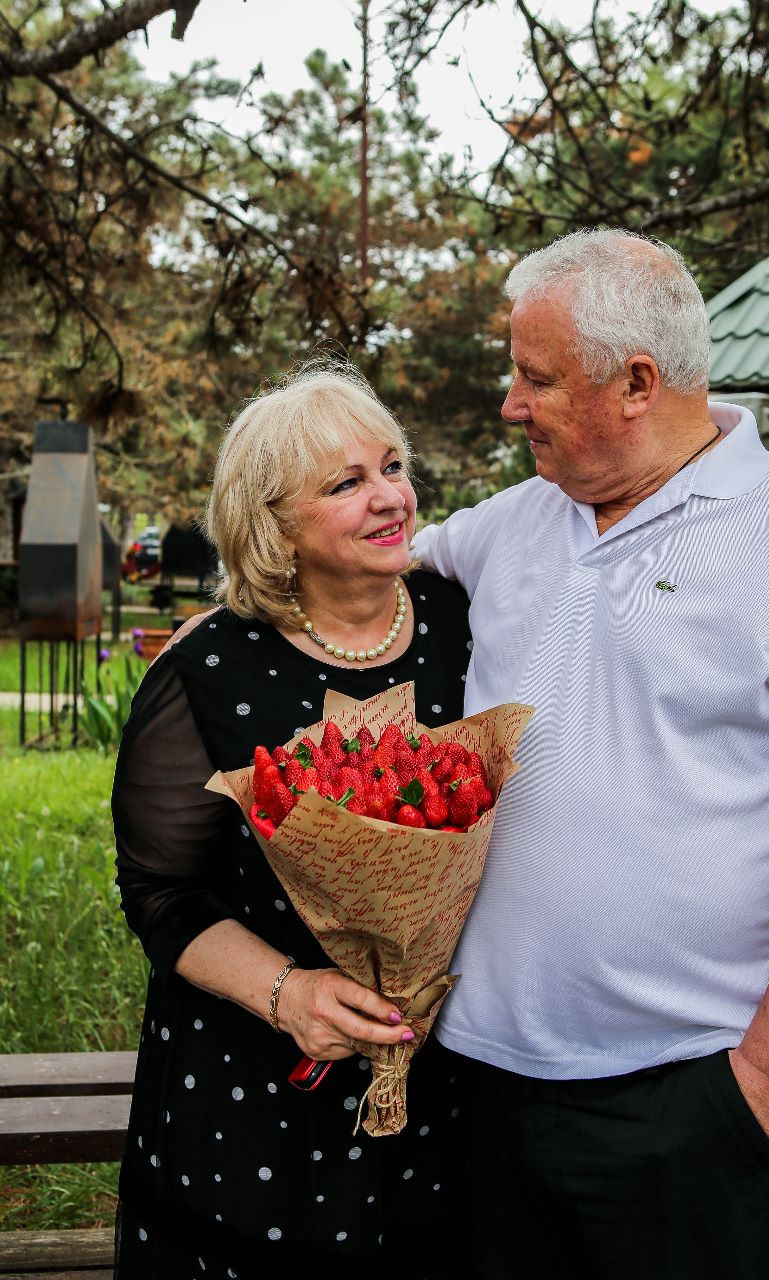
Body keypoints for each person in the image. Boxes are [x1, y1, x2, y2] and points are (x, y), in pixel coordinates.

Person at [411, 228, 769, 1280]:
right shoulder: (505, 526)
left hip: (694, 1098)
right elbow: (350, 570)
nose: (510, 404)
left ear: (636, 383)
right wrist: (227, 625)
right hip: (482, 1081)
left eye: (535, 377)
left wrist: (765, 1082)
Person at [112, 361, 475, 1280]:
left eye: (392, 466)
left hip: (450, 1071)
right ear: (272, 525)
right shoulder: (208, 668)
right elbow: (159, 890)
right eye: (346, 483)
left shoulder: (467, 622)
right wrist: (287, 994)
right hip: (252, 1081)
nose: (390, 497)